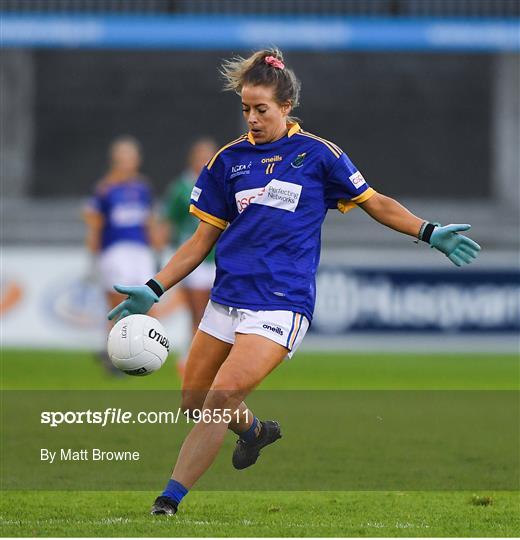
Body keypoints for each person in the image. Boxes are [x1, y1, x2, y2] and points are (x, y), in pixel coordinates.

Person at [107, 49, 481, 515]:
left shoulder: (319, 156)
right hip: (227, 300)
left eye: (261, 109)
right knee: (194, 401)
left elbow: (374, 201)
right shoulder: (228, 161)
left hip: (281, 305)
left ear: (286, 107)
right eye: (245, 109)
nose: (252, 118)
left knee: (220, 400)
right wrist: (155, 287)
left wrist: (427, 231)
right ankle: (256, 432)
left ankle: (167, 502)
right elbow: (201, 241)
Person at [84, 135, 161, 371]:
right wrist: (93, 256)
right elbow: (94, 222)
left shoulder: (142, 187)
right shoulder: (105, 189)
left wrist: (156, 249)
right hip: (115, 250)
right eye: (123, 157)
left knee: (147, 302)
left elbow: (150, 221)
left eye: (131, 156)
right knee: (117, 302)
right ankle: (111, 350)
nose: (128, 161)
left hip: (140, 250)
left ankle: (138, 350)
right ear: (115, 159)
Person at [162, 138, 218, 376]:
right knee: (199, 311)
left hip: (218, 258)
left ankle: (196, 356)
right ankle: (192, 358)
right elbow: (167, 222)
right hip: (194, 259)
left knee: (212, 312)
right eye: (200, 156)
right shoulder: (182, 187)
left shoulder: (219, 184)